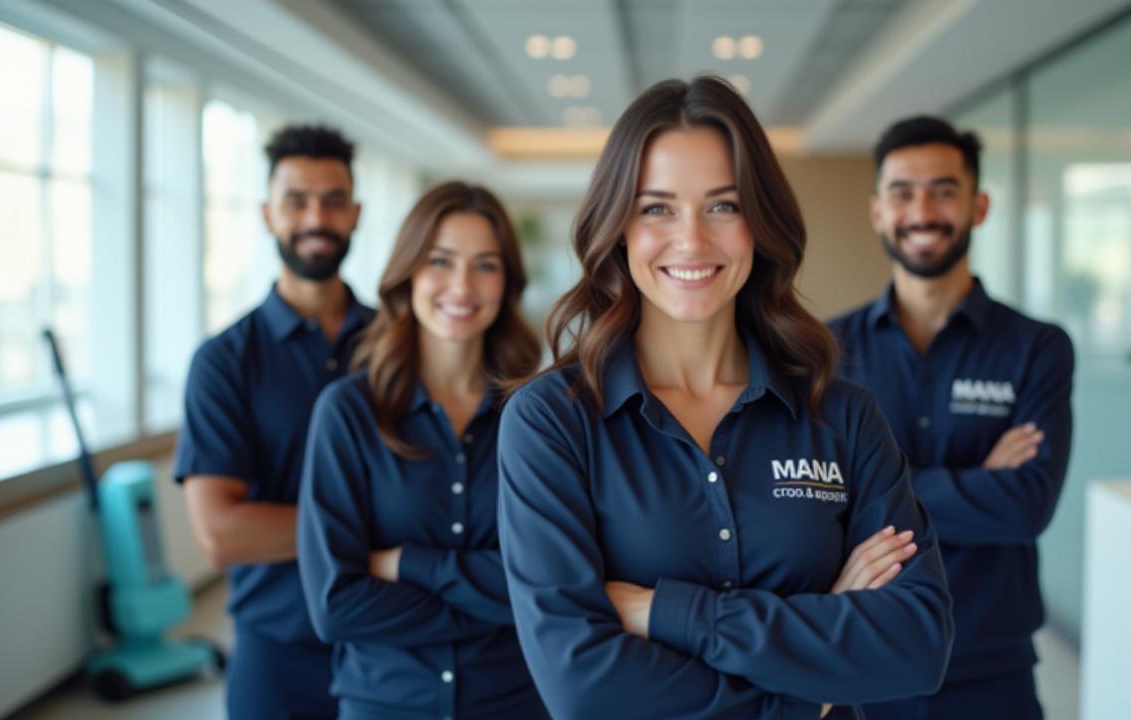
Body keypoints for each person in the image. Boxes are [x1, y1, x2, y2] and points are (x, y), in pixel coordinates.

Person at [496, 76, 953, 720]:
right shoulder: (551, 423)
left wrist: (664, 613)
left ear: (760, 224)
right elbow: (582, 686)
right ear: (618, 227)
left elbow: (915, 645)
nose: (691, 240)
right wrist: (811, 684)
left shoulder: (842, 416)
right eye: (657, 208)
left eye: (723, 206)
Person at [827, 115, 1074, 720]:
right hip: (867, 653)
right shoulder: (827, 352)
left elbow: (1026, 505)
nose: (923, 211)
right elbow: (818, 502)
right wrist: (978, 478)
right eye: (903, 192)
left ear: (979, 205)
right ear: (878, 211)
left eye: (944, 190)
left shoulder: (1036, 347)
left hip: (990, 665)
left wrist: (878, 490)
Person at [297, 181, 547, 720]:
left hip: (515, 703)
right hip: (384, 702)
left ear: (507, 283)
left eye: (485, 265)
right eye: (440, 261)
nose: (462, 285)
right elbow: (336, 606)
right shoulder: (347, 413)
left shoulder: (538, 416)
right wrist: (502, 598)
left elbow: (554, 583)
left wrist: (410, 565)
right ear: (408, 273)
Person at [174, 124, 374, 719]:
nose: (317, 216)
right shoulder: (224, 361)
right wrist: (382, 529)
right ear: (267, 214)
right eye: (296, 200)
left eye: (334, 200)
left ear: (356, 213)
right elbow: (221, 535)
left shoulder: (398, 345)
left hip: (388, 641)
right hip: (277, 652)